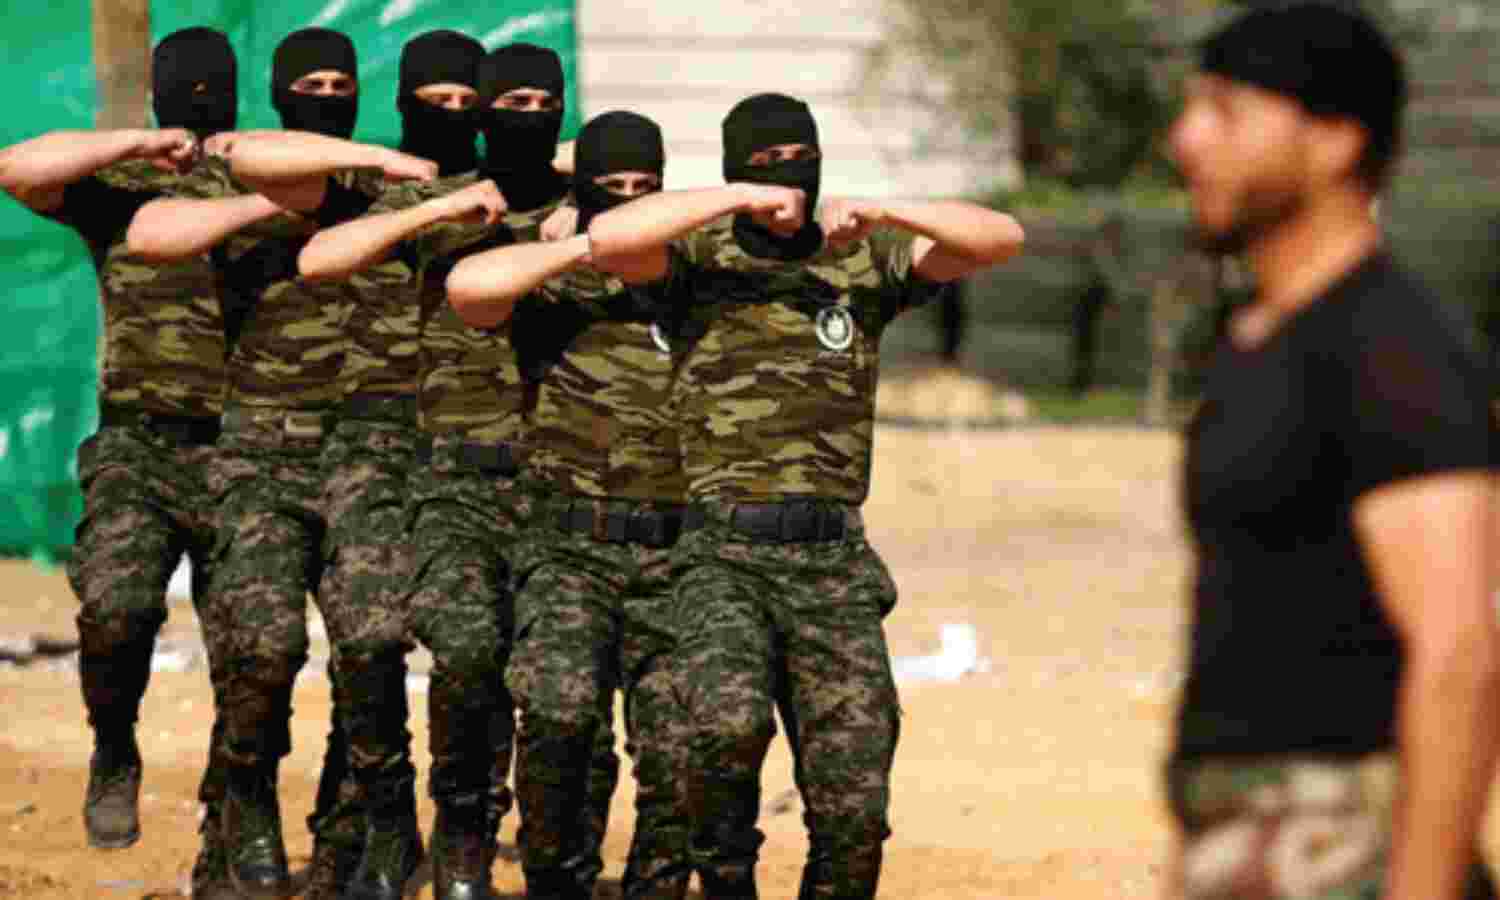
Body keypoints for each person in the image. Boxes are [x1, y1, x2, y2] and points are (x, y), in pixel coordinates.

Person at [587, 92, 1024, 899]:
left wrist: (888, 210)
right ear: (738, 170)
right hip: (722, 556)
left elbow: (1001, 238)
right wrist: (736, 198)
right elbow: (609, 238)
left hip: (833, 563)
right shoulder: (698, 261)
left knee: (855, 800)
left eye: (800, 160)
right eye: (767, 163)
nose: (788, 177)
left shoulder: (861, 261)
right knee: (722, 731)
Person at [1164, 5, 1499, 899]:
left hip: (1346, 842)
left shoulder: (1392, 349)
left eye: (1226, 111)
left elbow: (1460, 657)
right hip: (1248, 833)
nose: (1186, 139)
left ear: (1335, 142)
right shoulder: (1256, 338)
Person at [298, 42, 617, 900]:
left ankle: (538, 851)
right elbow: (320, 258)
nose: (526, 119)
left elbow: (641, 172)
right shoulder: (443, 205)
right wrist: (436, 208)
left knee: (560, 689)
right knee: (452, 648)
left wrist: (584, 213)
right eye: (507, 105)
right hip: (450, 473)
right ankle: (435, 825)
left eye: (542, 104)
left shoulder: (591, 209)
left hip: (562, 479)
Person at [130, 26, 437, 899]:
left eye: (342, 85)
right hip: (262, 451)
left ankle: (372, 829)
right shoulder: (247, 176)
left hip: (374, 451)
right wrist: (327, 178)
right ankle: (245, 803)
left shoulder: (396, 195)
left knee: (372, 647)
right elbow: (162, 224)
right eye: (312, 86)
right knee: (261, 650)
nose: (329, 97)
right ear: (279, 96)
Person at [0, 26, 261, 900]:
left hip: (246, 447)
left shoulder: (267, 180)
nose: (200, 104)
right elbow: (17, 168)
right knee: (115, 609)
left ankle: (232, 831)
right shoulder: (123, 185)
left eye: (212, 89)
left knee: (254, 654)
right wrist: (134, 145)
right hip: (137, 444)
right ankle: (114, 746)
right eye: (186, 90)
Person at [445, 109, 692, 900]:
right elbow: (469, 291)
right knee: (558, 722)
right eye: (612, 185)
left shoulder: (696, 274)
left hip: (679, 550)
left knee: (677, 748)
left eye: (646, 186)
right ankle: (557, 880)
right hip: (567, 547)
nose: (630, 198)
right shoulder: (550, 274)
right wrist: (590, 241)